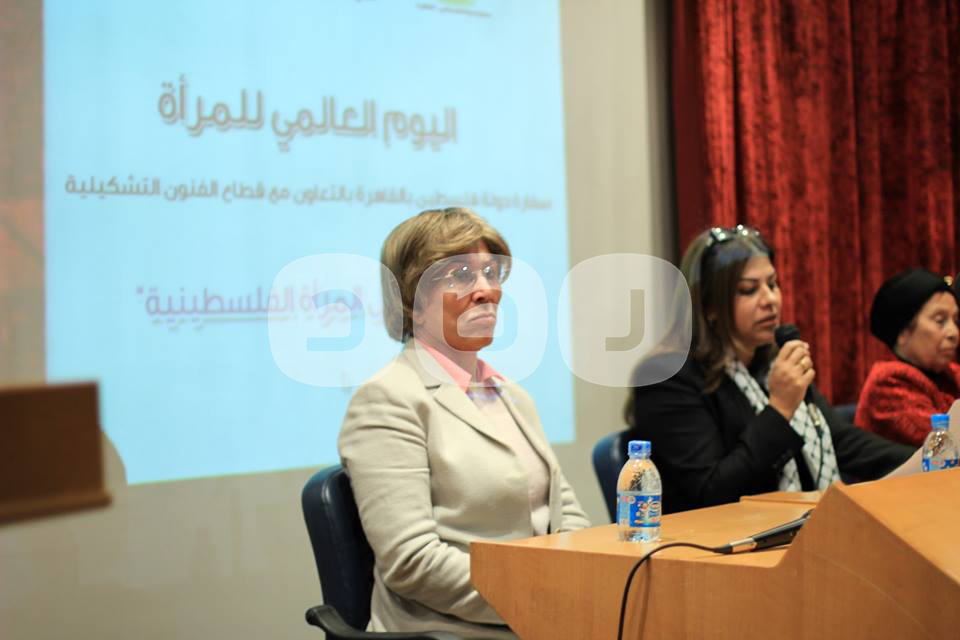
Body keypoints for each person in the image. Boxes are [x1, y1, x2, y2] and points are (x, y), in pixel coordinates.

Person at [338, 208, 589, 638]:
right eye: (461, 275)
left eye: (490, 272)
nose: (486, 290)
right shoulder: (387, 398)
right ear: (413, 300)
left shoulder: (513, 396)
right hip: (453, 630)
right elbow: (412, 562)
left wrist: (587, 583)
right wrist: (540, 597)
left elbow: (567, 517)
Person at [624, 225, 916, 514]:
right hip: (717, 537)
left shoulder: (769, 361)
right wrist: (780, 409)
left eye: (773, 285)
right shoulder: (665, 376)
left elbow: (839, 440)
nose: (770, 300)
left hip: (796, 528)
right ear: (709, 307)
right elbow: (711, 492)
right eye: (748, 290)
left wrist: (926, 458)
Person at [855, 268, 960, 446]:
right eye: (940, 321)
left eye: (956, 321)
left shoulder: (949, 372)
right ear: (903, 332)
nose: (954, 332)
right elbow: (945, 445)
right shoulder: (888, 383)